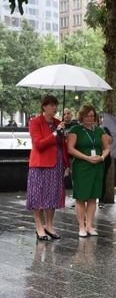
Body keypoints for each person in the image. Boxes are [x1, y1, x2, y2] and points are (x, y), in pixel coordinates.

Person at [26, 95, 70, 241]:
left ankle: (49, 226)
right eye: (51, 105)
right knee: (38, 195)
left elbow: (62, 146)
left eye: (55, 105)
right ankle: (39, 226)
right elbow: (38, 144)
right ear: (44, 106)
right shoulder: (35, 122)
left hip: (56, 164)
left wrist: (66, 164)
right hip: (39, 164)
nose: (54, 108)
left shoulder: (59, 123)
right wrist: (55, 133)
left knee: (53, 195)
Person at [67, 105, 110, 237]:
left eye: (92, 115)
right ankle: (81, 226)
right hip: (81, 166)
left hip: (97, 166)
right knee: (81, 197)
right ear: (81, 116)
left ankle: (90, 225)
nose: (90, 118)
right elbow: (70, 148)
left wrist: (102, 157)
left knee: (92, 197)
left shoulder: (99, 131)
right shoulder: (76, 130)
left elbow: (107, 147)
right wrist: (86, 157)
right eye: (87, 116)